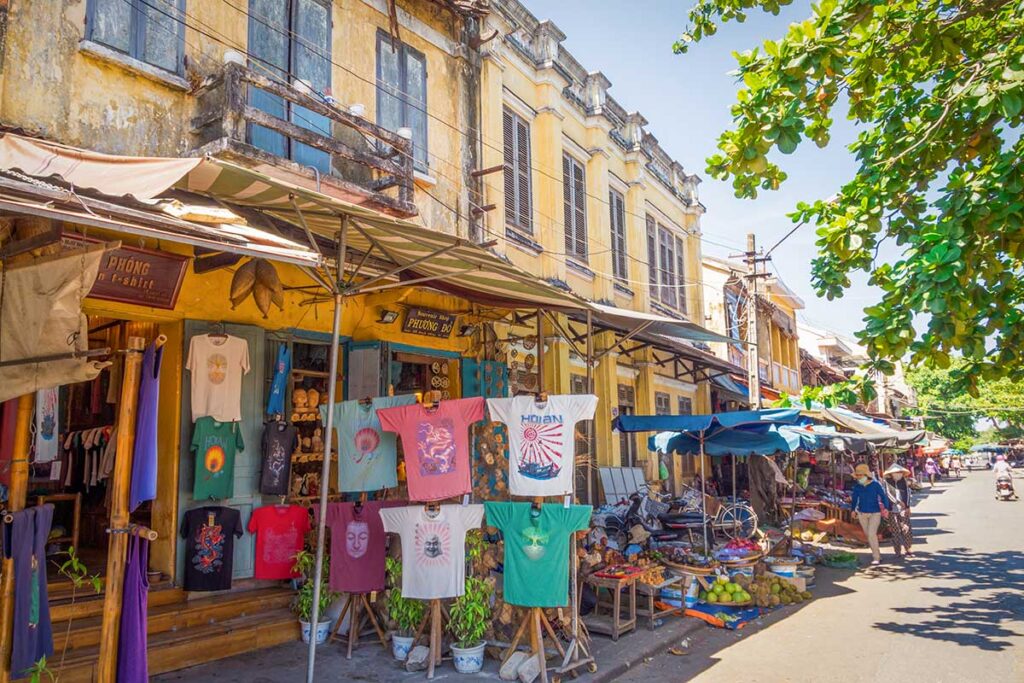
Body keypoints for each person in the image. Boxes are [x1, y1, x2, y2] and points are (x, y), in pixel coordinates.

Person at [850, 464, 892, 565]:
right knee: (868, 535)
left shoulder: (875, 485)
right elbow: (855, 499)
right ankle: (876, 552)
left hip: (875, 513)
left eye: (860, 475)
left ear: (866, 475)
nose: (859, 478)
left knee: (871, 534)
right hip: (861, 513)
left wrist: (886, 508)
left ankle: (876, 557)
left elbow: (883, 496)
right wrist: (853, 510)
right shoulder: (857, 487)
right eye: (858, 476)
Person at [883, 464, 914, 558]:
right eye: (896, 472)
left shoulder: (904, 482)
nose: (898, 474)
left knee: (906, 528)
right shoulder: (887, 482)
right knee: (895, 530)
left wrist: (907, 506)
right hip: (892, 509)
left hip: (903, 509)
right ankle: (897, 551)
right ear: (891, 474)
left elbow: (908, 494)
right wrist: (897, 502)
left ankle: (908, 549)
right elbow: (888, 494)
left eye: (899, 472)